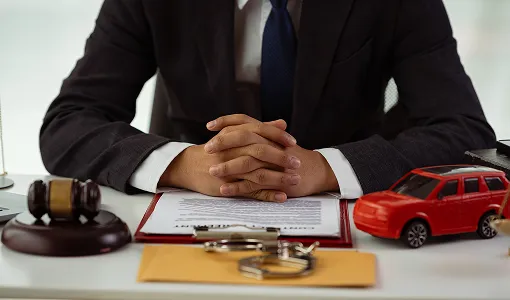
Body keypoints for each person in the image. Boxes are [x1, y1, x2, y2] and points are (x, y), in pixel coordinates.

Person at [39, 0, 496, 202]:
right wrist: (186, 165)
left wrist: (323, 168)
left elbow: (465, 130)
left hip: (349, 213)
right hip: (188, 207)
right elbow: (69, 122)